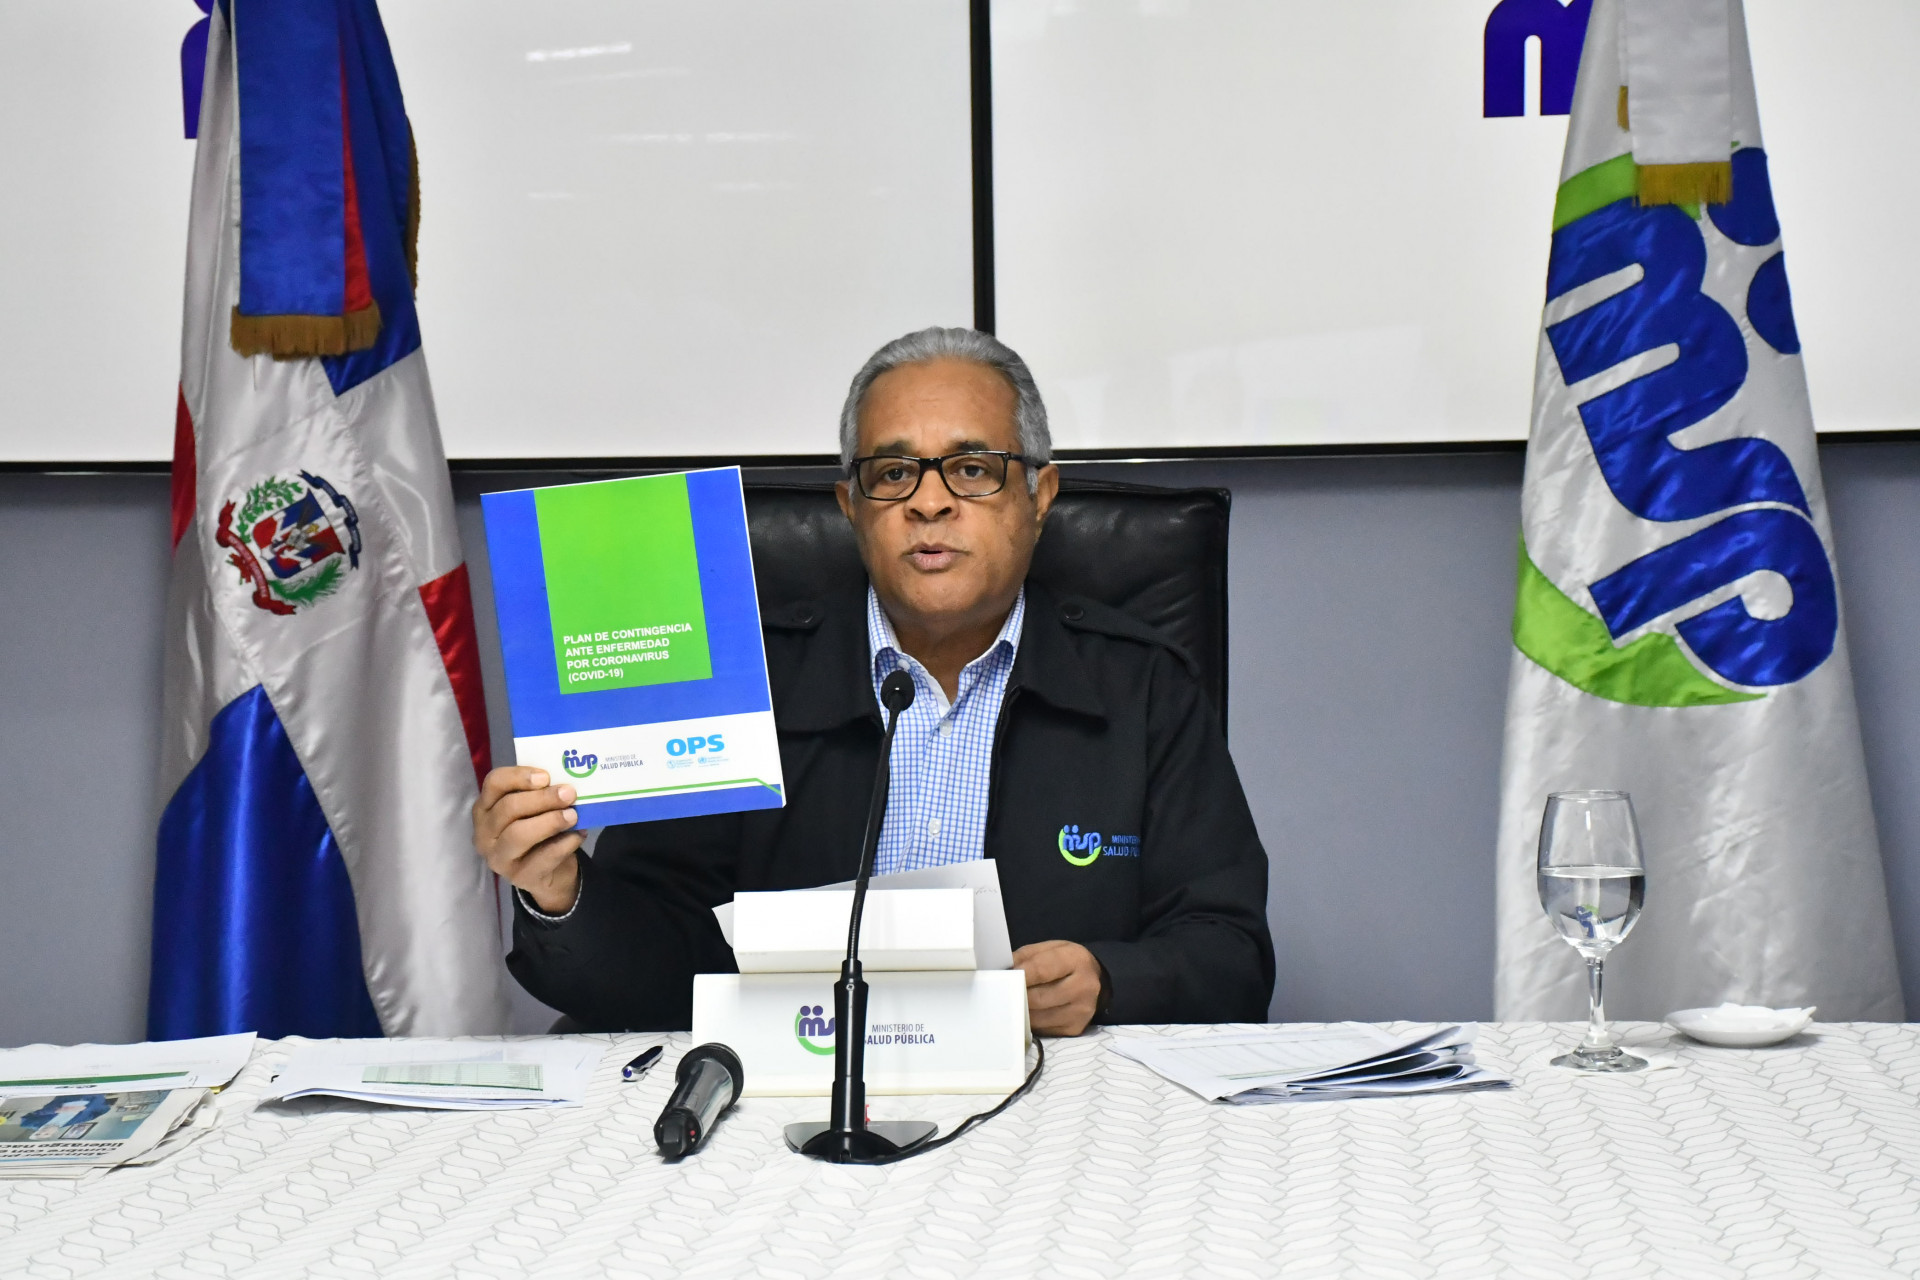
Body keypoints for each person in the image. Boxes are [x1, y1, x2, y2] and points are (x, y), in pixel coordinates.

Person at [473, 327, 1274, 1034]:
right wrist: (560, 892)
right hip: (785, 1099)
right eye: (893, 474)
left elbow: (1231, 955)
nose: (930, 503)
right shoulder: (748, 686)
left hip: (1050, 1101)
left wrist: (1110, 981)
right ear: (850, 506)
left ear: (1040, 497)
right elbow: (649, 975)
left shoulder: (1143, 688)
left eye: (972, 469)